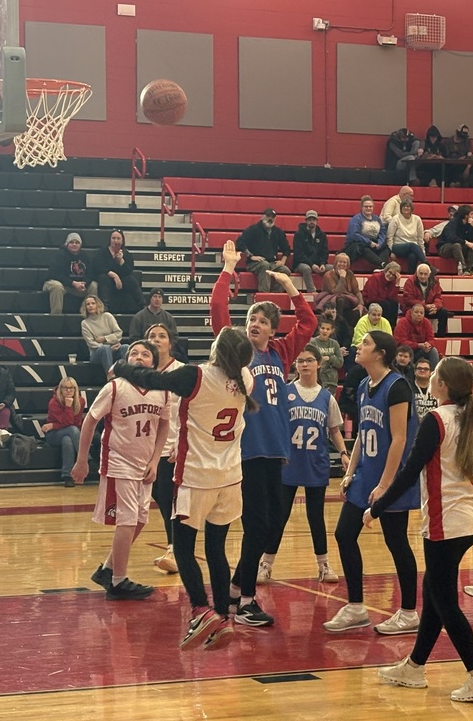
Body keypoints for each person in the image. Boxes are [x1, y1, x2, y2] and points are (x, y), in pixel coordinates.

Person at [112, 241, 257, 650]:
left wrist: (120, 364)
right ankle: (223, 618)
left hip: (195, 477)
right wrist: (229, 270)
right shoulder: (245, 380)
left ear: (218, 349)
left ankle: (200, 610)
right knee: (217, 549)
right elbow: (223, 324)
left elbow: (148, 379)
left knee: (185, 547)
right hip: (231, 478)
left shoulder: (196, 377)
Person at [371, 357, 473, 704]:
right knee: (434, 595)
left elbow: (410, 472)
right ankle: (414, 667)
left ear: (440, 385)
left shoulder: (437, 420)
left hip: (446, 523)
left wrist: (376, 508)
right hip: (469, 519)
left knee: (444, 602)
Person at [213, 245, 317, 629]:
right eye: (251, 318)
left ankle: (238, 586)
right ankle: (245, 600)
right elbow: (219, 314)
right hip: (248, 451)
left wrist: (291, 287)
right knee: (258, 524)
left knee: (273, 524)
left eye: (261, 320)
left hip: (276, 451)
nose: (254, 323)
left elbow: (307, 325)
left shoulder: (280, 353)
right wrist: (228, 269)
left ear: (273, 329)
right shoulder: (237, 352)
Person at [324, 331, 421, 636]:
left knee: (396, 542)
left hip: (390, 477)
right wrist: (350, 472)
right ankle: (355, 607)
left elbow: (400, 439)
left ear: (379, 353)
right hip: (366, 474)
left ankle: (408, 612)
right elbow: (363, 435)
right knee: (344, 534)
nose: (358, 347)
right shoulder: (365, 384)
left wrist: (385, 485)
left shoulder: (397, 387)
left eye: (365, 343)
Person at [71, 339, 171, 601]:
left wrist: (155, 460)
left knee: (139, 520)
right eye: (134, 353)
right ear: (126, 360)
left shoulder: (163, 390)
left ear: (154, 361)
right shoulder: (115, 387)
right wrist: (82, 460)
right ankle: (118, 582)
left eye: (145, 354)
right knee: (126, 521)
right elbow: (90, 421)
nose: (139, 357)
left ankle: (107, 569)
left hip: (144, 463)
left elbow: (164, 426)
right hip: (119, 461)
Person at [258, 344, 346, 586]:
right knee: (279, 516)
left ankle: (323, 564)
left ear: (319, 363)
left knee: (316, 517)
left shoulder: (327, 397)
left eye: (309, 360)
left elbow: (334, 430)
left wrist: (344, 452)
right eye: (300, 360)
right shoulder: (285, 392)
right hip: (288, 464)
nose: (304, 364)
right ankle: (265, 564)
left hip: (315, 464)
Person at [144, 323, 186, 575]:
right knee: (160, 498)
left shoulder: (182, 371)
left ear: (171, 343)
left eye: (162, 336)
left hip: (172, 446)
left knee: (171, 499)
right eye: (152, 336)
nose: (157, 339)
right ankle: (175, 547)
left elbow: (190, 412)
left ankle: (175, 550)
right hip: (147, 448)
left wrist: (181, 444)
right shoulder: (143, 373)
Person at [42, 378, 86, 488]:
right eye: (65, 388)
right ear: (60, 389)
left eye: (71, 388)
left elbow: (76, 422)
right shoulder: (54, 402)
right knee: (72, 430)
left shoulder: (80, 401)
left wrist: (53, 424)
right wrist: (67, 407)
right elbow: (69, 423)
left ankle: (67, 476)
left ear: (76, 390)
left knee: (67, 440)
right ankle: (86, 457)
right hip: (53, 435)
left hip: (68, 432)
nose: (69, 391)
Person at [237, 208, 292, 293]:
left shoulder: (278, 232)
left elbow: (286, 249)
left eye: (272, 217)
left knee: (285, 270)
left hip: (272, 262)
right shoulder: (253, 229)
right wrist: (251, 256)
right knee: (265, 265)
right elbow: (240, 242)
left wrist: (283, 261)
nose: (270, 219)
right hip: (254, 263)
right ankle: (264, 294)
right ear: (262, 217)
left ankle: (276, 294)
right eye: (268, 216)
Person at [42, 232, 98, 315]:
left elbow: (90, 274)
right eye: (72, 242)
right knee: (57, 286)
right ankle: (56, 317)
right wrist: (73, 283)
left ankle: (90, 316)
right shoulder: (60, 255)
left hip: (76, 286)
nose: (74, 244)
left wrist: (84, 283)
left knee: (93, 285)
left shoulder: (85, 256)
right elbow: (55, 274)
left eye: (77, 242)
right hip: (58, 283)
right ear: (66, 244)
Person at [92, 229, 144, 314]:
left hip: (121, 281)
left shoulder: (126, 253)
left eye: (118, 238)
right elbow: (97, 267)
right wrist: (113, 275)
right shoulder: (102, 252)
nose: (116, 241)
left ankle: (143, 305)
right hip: (106, 280)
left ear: (122, 241)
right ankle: (105, 306)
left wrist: (121, 261)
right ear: (110, 240)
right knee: (103, 278)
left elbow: (128, 270)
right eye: (113, 238)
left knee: (131, 279)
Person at [438, 205, 473, 276]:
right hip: (445, 247)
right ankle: (463, 269)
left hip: (461, 247)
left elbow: (472, 239)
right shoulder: (453, 223)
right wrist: (466, 242)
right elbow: (451, 238)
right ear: (466, 216)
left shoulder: (468, 224)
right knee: (457, 245)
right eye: (472, 214)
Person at [80, 295, 128, 374]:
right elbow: (91, 343)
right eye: (88, 304)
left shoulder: (107, 316)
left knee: (125, 347)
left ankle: (126, 375)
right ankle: (110, 377)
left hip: (113, 349)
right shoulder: (85, 323)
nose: (90, 306)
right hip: (96, 353)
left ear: (97, 305)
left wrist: (105, 338)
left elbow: (118, 334)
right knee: (105, 349)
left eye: (93, 303)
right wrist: (109, 348)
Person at [316, 252, 364, 329]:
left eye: (344, 262)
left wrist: (361, 304)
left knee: (357, 313)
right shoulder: (328, 275)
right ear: (335, 263)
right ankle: (338, 327)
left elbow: (357, 291)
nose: (342, 264)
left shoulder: (350, 274)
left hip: (348, 303)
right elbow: (336, 292)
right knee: (340, 300)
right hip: (333, 304)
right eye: (340, 262)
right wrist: (342, 278)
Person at [401, 263, 449, 337]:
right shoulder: (410, 281)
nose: (423, 276)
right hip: (413, 308)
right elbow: (408, 299)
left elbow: (438, 296)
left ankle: (441, 337)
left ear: (429, 275)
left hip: (429, 308)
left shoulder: (435, 281)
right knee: (413, 313)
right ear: (417, 273)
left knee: (443, 312)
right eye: (421, 274)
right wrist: (424, 306)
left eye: (425, 274)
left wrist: (435, 306)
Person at [344, 196, 389, 269]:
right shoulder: (356, 219)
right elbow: (354, 235)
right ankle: (382, 264)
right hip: (357, 244)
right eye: (366, 206)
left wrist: (379, 243)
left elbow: (382, 232)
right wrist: (369, 242)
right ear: (362, 207)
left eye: (370, 206)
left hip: (374, 243)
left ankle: (380, 269)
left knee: (386, 247)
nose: (368, 208)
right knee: (362, 247)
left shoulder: (377, 219)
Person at [292, 210, 330, 294]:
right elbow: (299, 254)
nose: (311, 221)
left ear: (317, 221)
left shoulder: (322, 235)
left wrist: (322, 263)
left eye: (313, 219)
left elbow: (324, 252)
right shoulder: (299, 234)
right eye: (309, 219)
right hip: (301, 264)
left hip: (318, 264)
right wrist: (312, 265)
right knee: (306, 268)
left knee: (333, 268)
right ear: (306, 221)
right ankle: (312, 291)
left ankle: (329, 290)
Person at [386, 198, 427, 274]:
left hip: (413, 248)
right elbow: (389, 237)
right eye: (403, 206)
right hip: (398, 247)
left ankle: (410, 276)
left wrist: (422, 252)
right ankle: (426, 264)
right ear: (401, 208)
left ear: (411, 208)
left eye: (408, 206)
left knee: (413, 255)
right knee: (412, 245)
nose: (405, 208)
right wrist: (390, 251)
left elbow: (420, 239)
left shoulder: (417, 219)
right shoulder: (395, 219)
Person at [394, 303, 440, 368]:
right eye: (416, 312)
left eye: (421, 313)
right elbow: (400, 342)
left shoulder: (426, 322)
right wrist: (418, 345)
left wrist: (428, 345)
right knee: (408, 353)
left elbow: (431, 339)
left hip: (420, 350)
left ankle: (433, 373)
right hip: (405, 350)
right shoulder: (403, 322)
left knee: (433, 350)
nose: (419, 314)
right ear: (411, 313)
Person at [309, 317, 345, 396]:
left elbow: (340, 363)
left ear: (332, 330)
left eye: (328, 329)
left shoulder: (334, 344)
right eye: (323, 328)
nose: (325, 331)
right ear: (319, 328)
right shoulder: (312, 343)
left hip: (331, 381)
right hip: (316, 380)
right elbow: (309, 361)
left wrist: (330, 358)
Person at [362, 261, 402, 327]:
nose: (391, 276)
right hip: (370, 302)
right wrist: (385, 298)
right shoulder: (375, 278)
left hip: (383, 303)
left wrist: (397, 284)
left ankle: (391, 328)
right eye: (390, 272)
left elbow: (392, 298)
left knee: (394, 304)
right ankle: (384, 327)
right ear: (386, 270)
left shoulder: (392, 282)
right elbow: (372, 298)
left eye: (394, 275)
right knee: (386, 305)